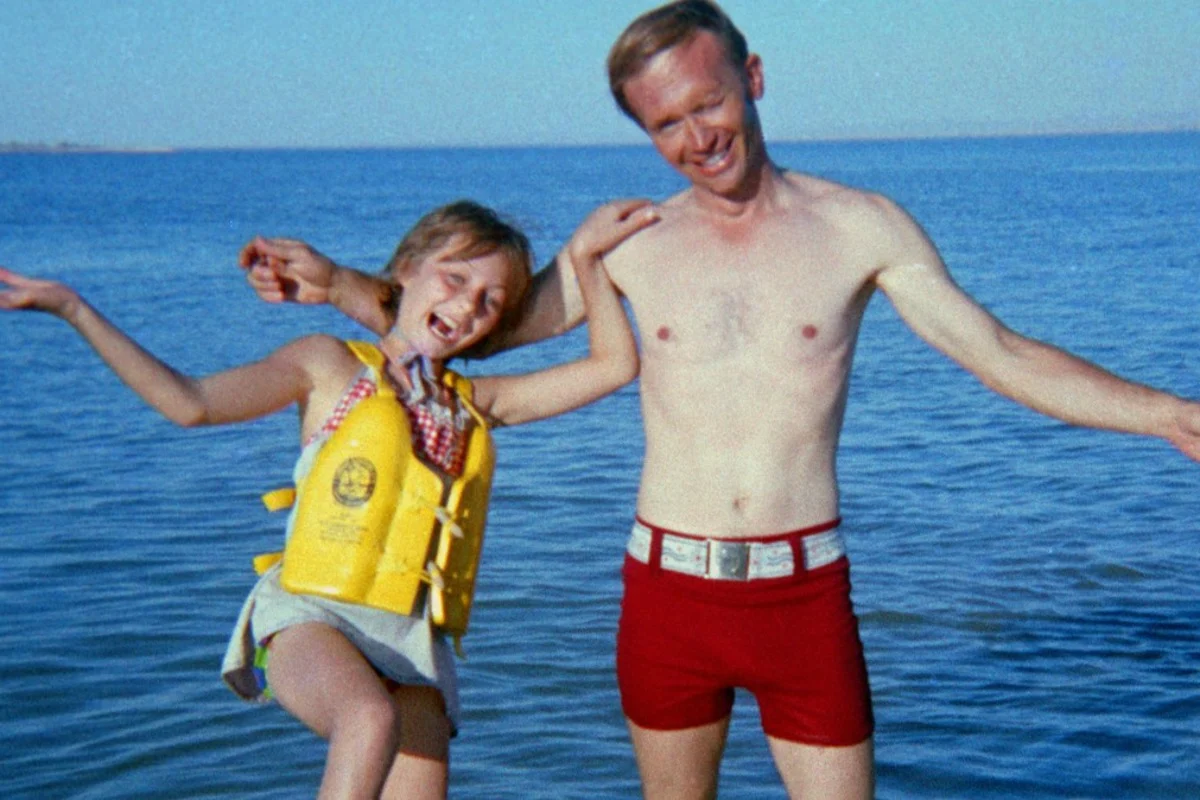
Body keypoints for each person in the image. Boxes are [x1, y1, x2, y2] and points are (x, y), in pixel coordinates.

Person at [236, 2, 1200, 797]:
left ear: (754, 77)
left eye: (709, 104)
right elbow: (468, 324)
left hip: (804, 591)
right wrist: (335, 284)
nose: (697, 139)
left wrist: (1166, 414)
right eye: (665, 125)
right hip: (667, 593)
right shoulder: (635, 244)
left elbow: (997, 352)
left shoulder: (861, 226)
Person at [0, 198, 658, 800]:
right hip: (310, 616)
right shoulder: (328, 365)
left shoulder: (478, 404)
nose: (468, 306)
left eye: (491, 301)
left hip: (412, 644)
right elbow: (190, 404)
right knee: (366, 720)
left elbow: (613, 366)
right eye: (455, 279)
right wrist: (74, 310)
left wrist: (589, 262)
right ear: (405, 270)